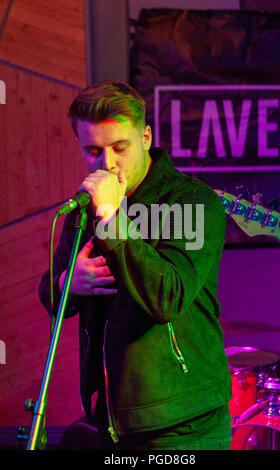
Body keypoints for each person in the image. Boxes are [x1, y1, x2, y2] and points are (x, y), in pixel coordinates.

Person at [39, 80, 232, 450]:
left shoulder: (190, 201)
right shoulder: (86, 207)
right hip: (112, 420)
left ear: (145, 137)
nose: (107, 163)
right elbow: (50, 295)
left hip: (182, 424)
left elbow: (166, 299)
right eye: (93, 150)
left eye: (119, 148)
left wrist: (112, 217)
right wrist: (67, 282)